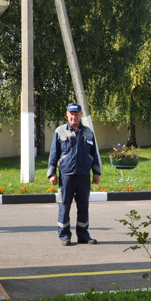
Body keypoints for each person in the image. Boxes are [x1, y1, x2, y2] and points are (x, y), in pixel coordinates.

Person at [47, 102, 102, 245]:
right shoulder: (60, 131)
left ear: (80, 115)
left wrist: (96, 172)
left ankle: (83, 235)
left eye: (76, 114)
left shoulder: (88, 132)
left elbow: (94, 154)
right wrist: (52, 173)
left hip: (84, 175)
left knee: (83, 206)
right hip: (67, 175)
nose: (73, 117)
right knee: (64, 206)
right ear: (67, 114)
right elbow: (53, 154)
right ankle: (64, 236)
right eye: (71, 114)